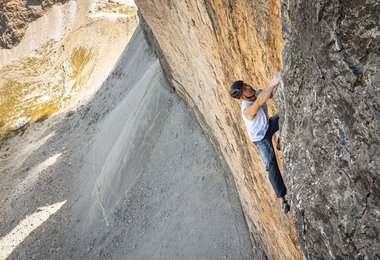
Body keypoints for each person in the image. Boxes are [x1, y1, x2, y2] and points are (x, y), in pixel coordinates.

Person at [229, 72, 290, 214]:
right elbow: (260, 102)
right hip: (260, 139)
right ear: (243, 96)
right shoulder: (247, 110)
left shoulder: (255, 92)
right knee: (271, 164)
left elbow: (267, 94)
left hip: (267, 126)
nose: (248, 86)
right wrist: (272, 82)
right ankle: (283, 199)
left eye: (245, 85)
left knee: (286, 114)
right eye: (245, 88)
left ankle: (281, 137)